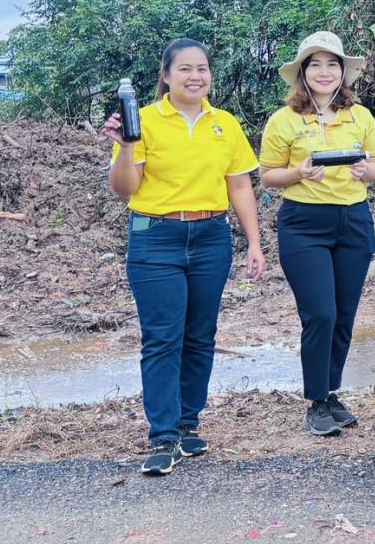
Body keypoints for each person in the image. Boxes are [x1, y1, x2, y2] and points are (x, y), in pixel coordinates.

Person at [103, 38, 265, 476]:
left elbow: (239, 186)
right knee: (162, 337)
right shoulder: (144, 121)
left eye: (203, 69)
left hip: (212, 235)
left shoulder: (225, 123)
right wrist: (126, 146)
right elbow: (124, 189)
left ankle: (188, 424)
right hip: (155, 236)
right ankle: (163, 436)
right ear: (166, 75)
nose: (196, 77)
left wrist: (253, 241)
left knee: (200, 335)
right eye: (185, 69)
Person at [259, 32, 375, 437]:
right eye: (316, 64)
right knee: (320, 314)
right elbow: (267, 176)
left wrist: (367, 171)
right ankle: (315, 400)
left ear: (343, 72)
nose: (325, 72)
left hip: (354, 221)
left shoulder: (360, 116)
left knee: (344, 315)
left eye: (333, 64)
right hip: (304, 224)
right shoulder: (284, 121)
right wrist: (298, 172)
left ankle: (331, 393)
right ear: (302, 73)